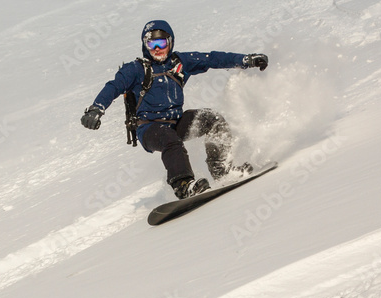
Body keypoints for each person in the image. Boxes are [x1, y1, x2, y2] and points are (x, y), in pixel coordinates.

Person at [80, 20, 269, 199]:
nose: (156, 49)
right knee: (170, 140)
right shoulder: (136, 69)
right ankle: (183, 185)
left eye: (161, 43)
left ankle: (221, 170)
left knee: (212, 119)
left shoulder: (179, 63)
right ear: (144, 45)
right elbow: (113, 86)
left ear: (170, 42)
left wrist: (245, 60)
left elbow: (212, 58)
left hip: (175, 123)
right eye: (151, 44)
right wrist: (96, 109)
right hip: (149, 129)